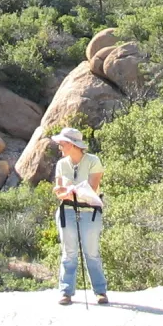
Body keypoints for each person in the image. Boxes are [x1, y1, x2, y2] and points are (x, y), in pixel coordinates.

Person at [51, 127, 108, 306]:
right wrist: (72, 191)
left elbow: (91, 188)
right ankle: (66, 292)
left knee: (92, 253)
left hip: (90, 213)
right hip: (67, 211)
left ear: (72, 145)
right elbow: (59, 192)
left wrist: (69, 191)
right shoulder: (61, 164)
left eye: (62, 143)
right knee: (69, 253)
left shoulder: (93, 161)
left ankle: (100, 292)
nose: (59, 147)